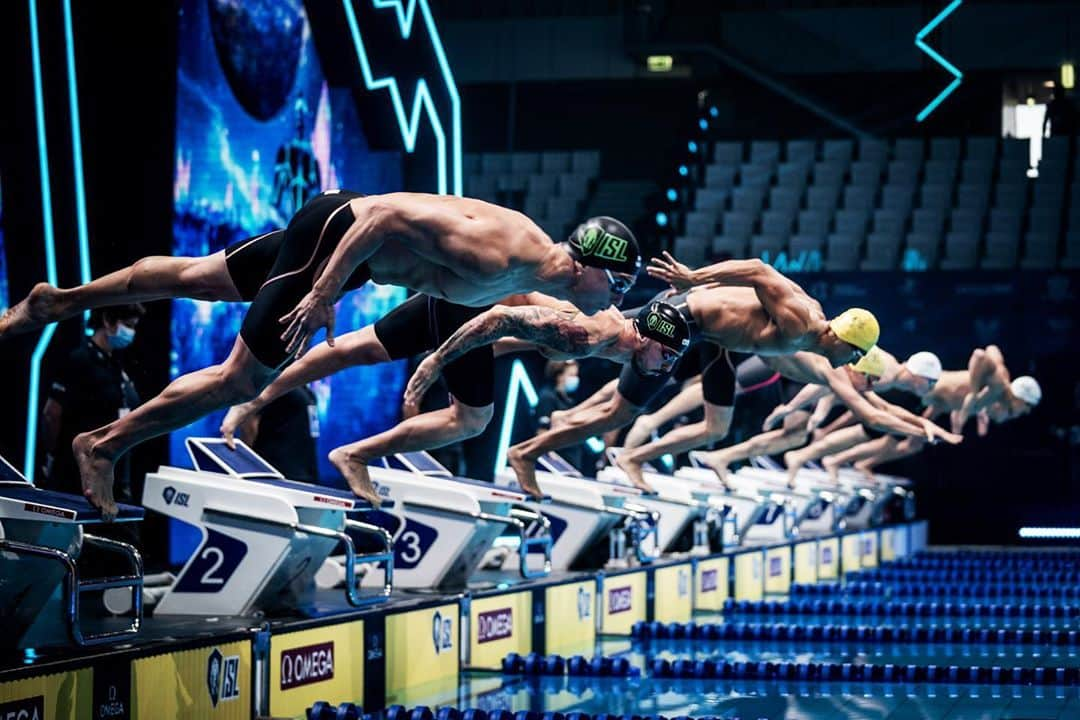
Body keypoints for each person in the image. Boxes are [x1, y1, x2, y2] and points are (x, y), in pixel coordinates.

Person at [1, 193, 639, 519]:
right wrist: (325, 293)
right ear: (592, 267)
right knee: (237, 381)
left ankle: (57, 302)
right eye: (618, 286)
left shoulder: (536, 278)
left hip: (335, 237)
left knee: (198, 278)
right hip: (340, 240)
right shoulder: (503, 253)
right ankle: (106, 445)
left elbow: (528, 321)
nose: (616, 298)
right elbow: (382, 216)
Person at [406, 254, 884, 493]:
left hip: (708, 342)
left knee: (712, 426)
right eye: (856, 357)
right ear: (844, 340)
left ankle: (508, 345)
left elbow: (823, 376)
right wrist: (695, 277)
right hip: (680, 321)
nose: (853, 366)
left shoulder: (810, 342)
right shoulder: (803, 319)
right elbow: (760, 269)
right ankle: (525, 446)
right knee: (608, 383)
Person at [222, 293, 688, 500]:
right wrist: (438, 361)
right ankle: (355, 455)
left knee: (351, 349)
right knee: (471, 420)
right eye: (666, 357)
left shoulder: (614, 337)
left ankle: (251, 397)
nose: (665, 369)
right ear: (647, 339)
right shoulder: (589, 334)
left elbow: (515, 330)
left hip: (455, 299)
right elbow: (500, 320)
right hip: (468, 316)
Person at [39, 304, 145, 497]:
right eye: (128, 325)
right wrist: (53, 456)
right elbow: (51, 414)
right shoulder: (78, 360)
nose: (132, 332)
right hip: (80, 477)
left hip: (116, 476)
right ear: (107, 321)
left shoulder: (117, 365)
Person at [230, 385, 321, 484]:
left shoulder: (305, 388)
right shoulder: (275, 385)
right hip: (277, 471)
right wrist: (247, 464)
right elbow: (249, 424)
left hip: (305, 474)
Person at [535, 360, 584, 469]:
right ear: (559, 376)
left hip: (570, 461)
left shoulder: (569, 400)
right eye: (572, 375)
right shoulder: (547, 397)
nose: (575, 379)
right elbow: (542, 431)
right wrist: (549, 455)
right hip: (555, 463)